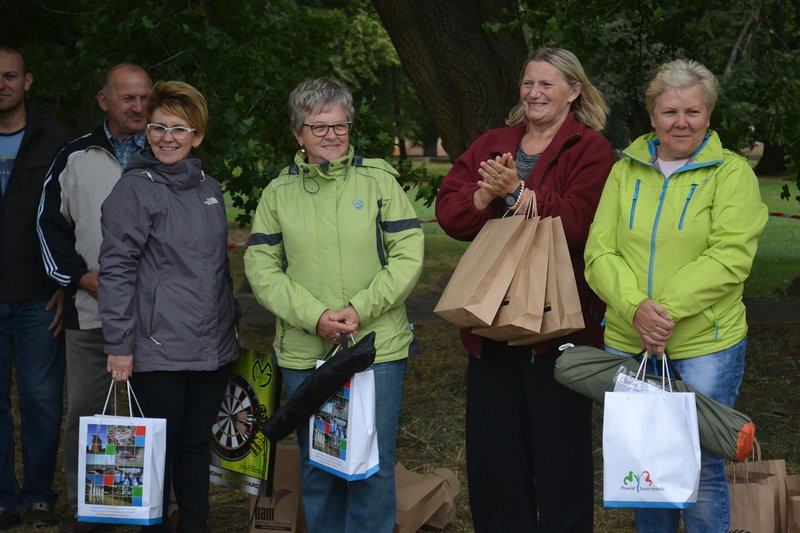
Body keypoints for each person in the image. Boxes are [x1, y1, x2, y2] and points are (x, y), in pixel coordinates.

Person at [435, 47, 615, 531]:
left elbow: (580, 225)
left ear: (574, 91)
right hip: (490, 327)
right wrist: (485, 194)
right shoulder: (495, 141)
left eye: (547, 84)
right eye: (528, 82)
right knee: (495, 462)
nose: (534, 93)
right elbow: (450, 215)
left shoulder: (590, 149)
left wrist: (518, 193)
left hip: (557, 333)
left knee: (560, 462)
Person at [584, 59, 768, 532]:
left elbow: (730, 257)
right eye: (670, 112)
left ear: (708, 115)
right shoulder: (625, 170)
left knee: (702, 464)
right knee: (646, 462)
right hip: (630, 340)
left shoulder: (731, 173)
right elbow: (599, 252)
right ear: (652, 115)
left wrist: (660, 313)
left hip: (705, 343)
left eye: (692, 111)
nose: (680, 122)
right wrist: (635, 309)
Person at [244, 77, 424, 533]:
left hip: (375, 349)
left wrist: (359, 310)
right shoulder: (277, 193)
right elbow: (262, 266)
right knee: (318, 466)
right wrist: (314, 317)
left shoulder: (379, 180)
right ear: (297, 134)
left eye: (339, 125)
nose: (331, 135)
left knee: (371, 468)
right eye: (318, 126)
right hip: (305, 354)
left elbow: (407, 253)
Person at [97, 80, 239, 533]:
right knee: (158, 448)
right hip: (157, 347)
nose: (167, 137)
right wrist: (119, 344)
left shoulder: (209, 188)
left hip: (211, 347)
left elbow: (219, 268)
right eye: (159, 127)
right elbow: (116, 271)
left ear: (197, 136)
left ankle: (195, 525)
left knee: (196, 445)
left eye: (180, 129)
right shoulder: (134, 190)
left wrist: (230, 325)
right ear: (148, 132)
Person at [37, 62, 153, 533]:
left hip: (158, 319)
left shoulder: (168, 150)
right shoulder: (76, 156)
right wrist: (77, 278)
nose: (138, 107)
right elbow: (48, 227)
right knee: (88, 416)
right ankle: (91, 514)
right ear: (103, 101)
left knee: (152, 416)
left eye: (145, 97)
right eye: (128, 98)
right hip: (92, 314)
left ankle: (150, 511)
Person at [0, 44, 72, 530]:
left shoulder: (57, 140)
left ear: (27, 82)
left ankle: (39, 493)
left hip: (37, 295)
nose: (1, 84)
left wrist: (66, 283)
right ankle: (4, 497)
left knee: (42, 399)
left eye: (9, 75)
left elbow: (76, 218)